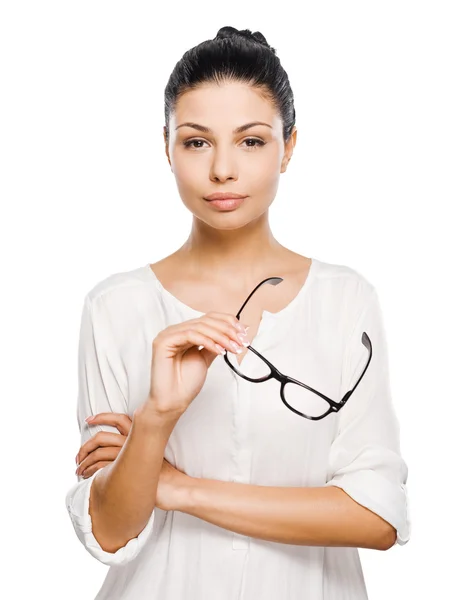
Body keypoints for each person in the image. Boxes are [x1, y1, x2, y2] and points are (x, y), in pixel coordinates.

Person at [65, 25, 411, 600]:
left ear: (289, 147)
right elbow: (108, 531)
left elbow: (377, 518)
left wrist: (180, 490)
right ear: (167, 147)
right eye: (197, 141)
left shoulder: (346, 301)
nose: (222, 169)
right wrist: (155, 418)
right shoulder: (115, 308)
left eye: (250, 141)